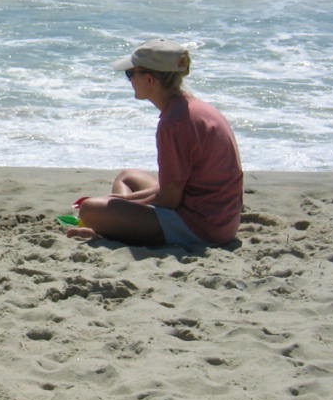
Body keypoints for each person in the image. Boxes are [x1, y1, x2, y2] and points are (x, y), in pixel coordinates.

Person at [68, 38, 243, 247]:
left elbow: (169, 199)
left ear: (150, 80)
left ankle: (113, 226)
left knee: (89, 209)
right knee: (128, 177)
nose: (130, 80)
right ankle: (116, 223)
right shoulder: (193, 108)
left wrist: (118, 203)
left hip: (201, 227)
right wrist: (121, 203)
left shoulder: (175, 122)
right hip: (221, 220)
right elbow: (173, 189)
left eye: (130, 74)